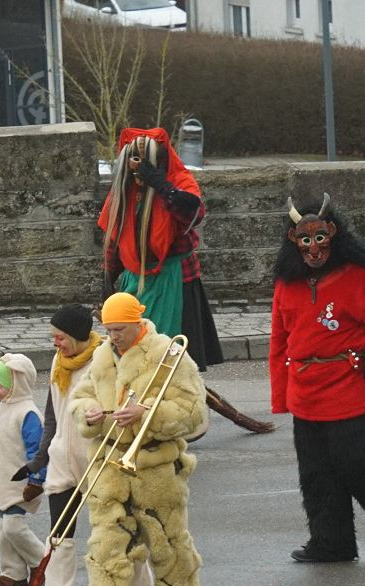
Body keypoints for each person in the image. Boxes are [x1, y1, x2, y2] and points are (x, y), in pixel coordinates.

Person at [269, 194, 365, 563]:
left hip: (352, 386)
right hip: (306, 392)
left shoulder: (362, 280)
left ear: (333, 235)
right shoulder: (286, 285)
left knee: (353, 459)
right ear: (294, 241)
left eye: (320, 238)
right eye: (305, 240)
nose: (314, 248)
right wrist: (282, 396)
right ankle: (331, 542)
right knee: (316, 474)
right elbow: (279, 343)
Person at [58, 292, 207, 586]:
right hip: (110, 469)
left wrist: (147, 415)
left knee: (169, 551)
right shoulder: (103, 355)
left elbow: (193, 412)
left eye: (120, 330)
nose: (114, 337)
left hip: (157, 472)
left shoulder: (169, 352)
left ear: (138, 323)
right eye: (109, 330)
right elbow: (80, 398)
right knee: (105, 551)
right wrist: (90, 412)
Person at [100, 126, 273, 434]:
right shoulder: (125, 191)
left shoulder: (178, 182)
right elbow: (115, 239)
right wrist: (108, 283)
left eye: (143, 161)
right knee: (131, 354)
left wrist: (157, 181)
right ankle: (140, 418)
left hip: (173, 282)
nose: (136, 168)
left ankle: (180, 416)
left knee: (165, 357)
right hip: (134, 283)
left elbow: (193, 211)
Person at [21, 304, 152, 586]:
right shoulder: (58, 362)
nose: (56, 344)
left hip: (99, 460)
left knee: (116, 535)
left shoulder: (105, 360)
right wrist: (40, 459)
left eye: (61, 337)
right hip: (63, 463)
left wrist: (104, 416)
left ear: (79, 337)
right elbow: (52, 414)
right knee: (59, 535)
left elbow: (122, 406)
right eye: (53, 337)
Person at [0, 353, 48, 586]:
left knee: (13, 526)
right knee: (3, 526)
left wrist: (36, 480)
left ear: (17, 383)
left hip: (20, 482)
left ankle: (42, 561)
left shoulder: (27, 413)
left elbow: (37, 450)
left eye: (0, 383)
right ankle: (12, 573)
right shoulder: (1, 408)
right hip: (2, 480)